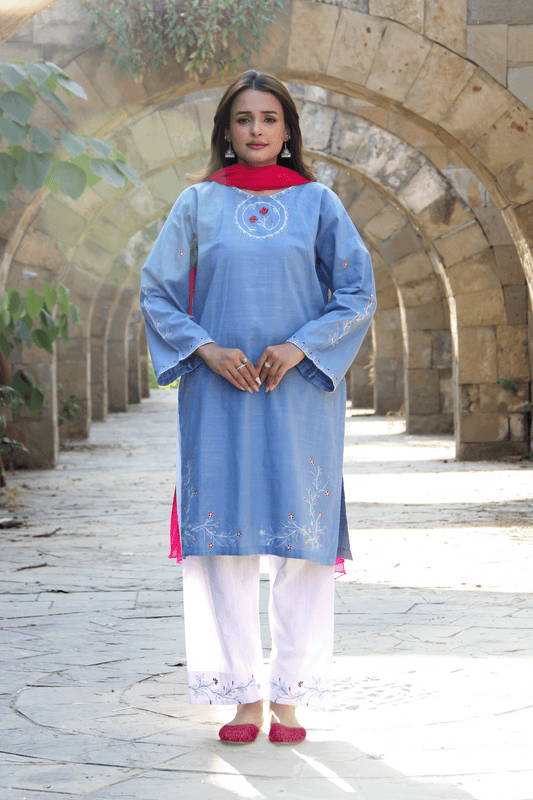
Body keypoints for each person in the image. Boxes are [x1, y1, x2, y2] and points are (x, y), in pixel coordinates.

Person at [140, 70, 376, 744]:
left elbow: (355, 293)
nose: (255, 130)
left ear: (287, 130)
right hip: (217, 396)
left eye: (268, 119)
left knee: (302, 544)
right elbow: (157, 291)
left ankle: (291, 696)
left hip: (298, 397)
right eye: (243, 119)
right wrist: (206, 349)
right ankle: (242, 696)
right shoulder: (196, 203)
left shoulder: (319, 203)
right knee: (225, 543)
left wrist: (301, 348)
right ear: (225, 129)